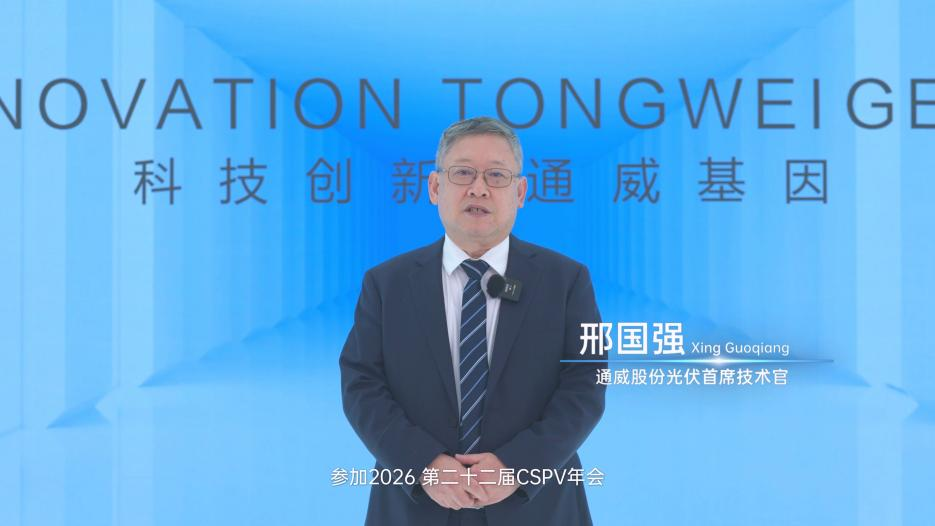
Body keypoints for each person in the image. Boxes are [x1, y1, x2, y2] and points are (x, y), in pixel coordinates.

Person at [339, 116, 606, 525]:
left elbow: (586, 385)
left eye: (496, 175)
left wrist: (518, 466)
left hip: (537, 506)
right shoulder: (387, 284)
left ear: (520, 192)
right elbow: (361, 385)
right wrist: (423, 464)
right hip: (415, 506)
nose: (478, 188)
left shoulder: (566, 281)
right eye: (462, 172)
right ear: (434, 187)